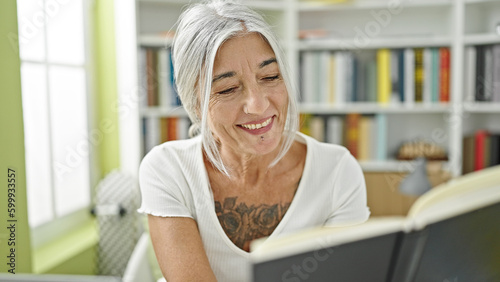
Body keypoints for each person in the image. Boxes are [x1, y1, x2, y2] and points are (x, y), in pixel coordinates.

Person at [137, 1, 370, 281]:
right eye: (228, 88)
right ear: (195, 103)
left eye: (270, 76)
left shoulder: (337, 171)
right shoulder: (168, 170)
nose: (258, 105)